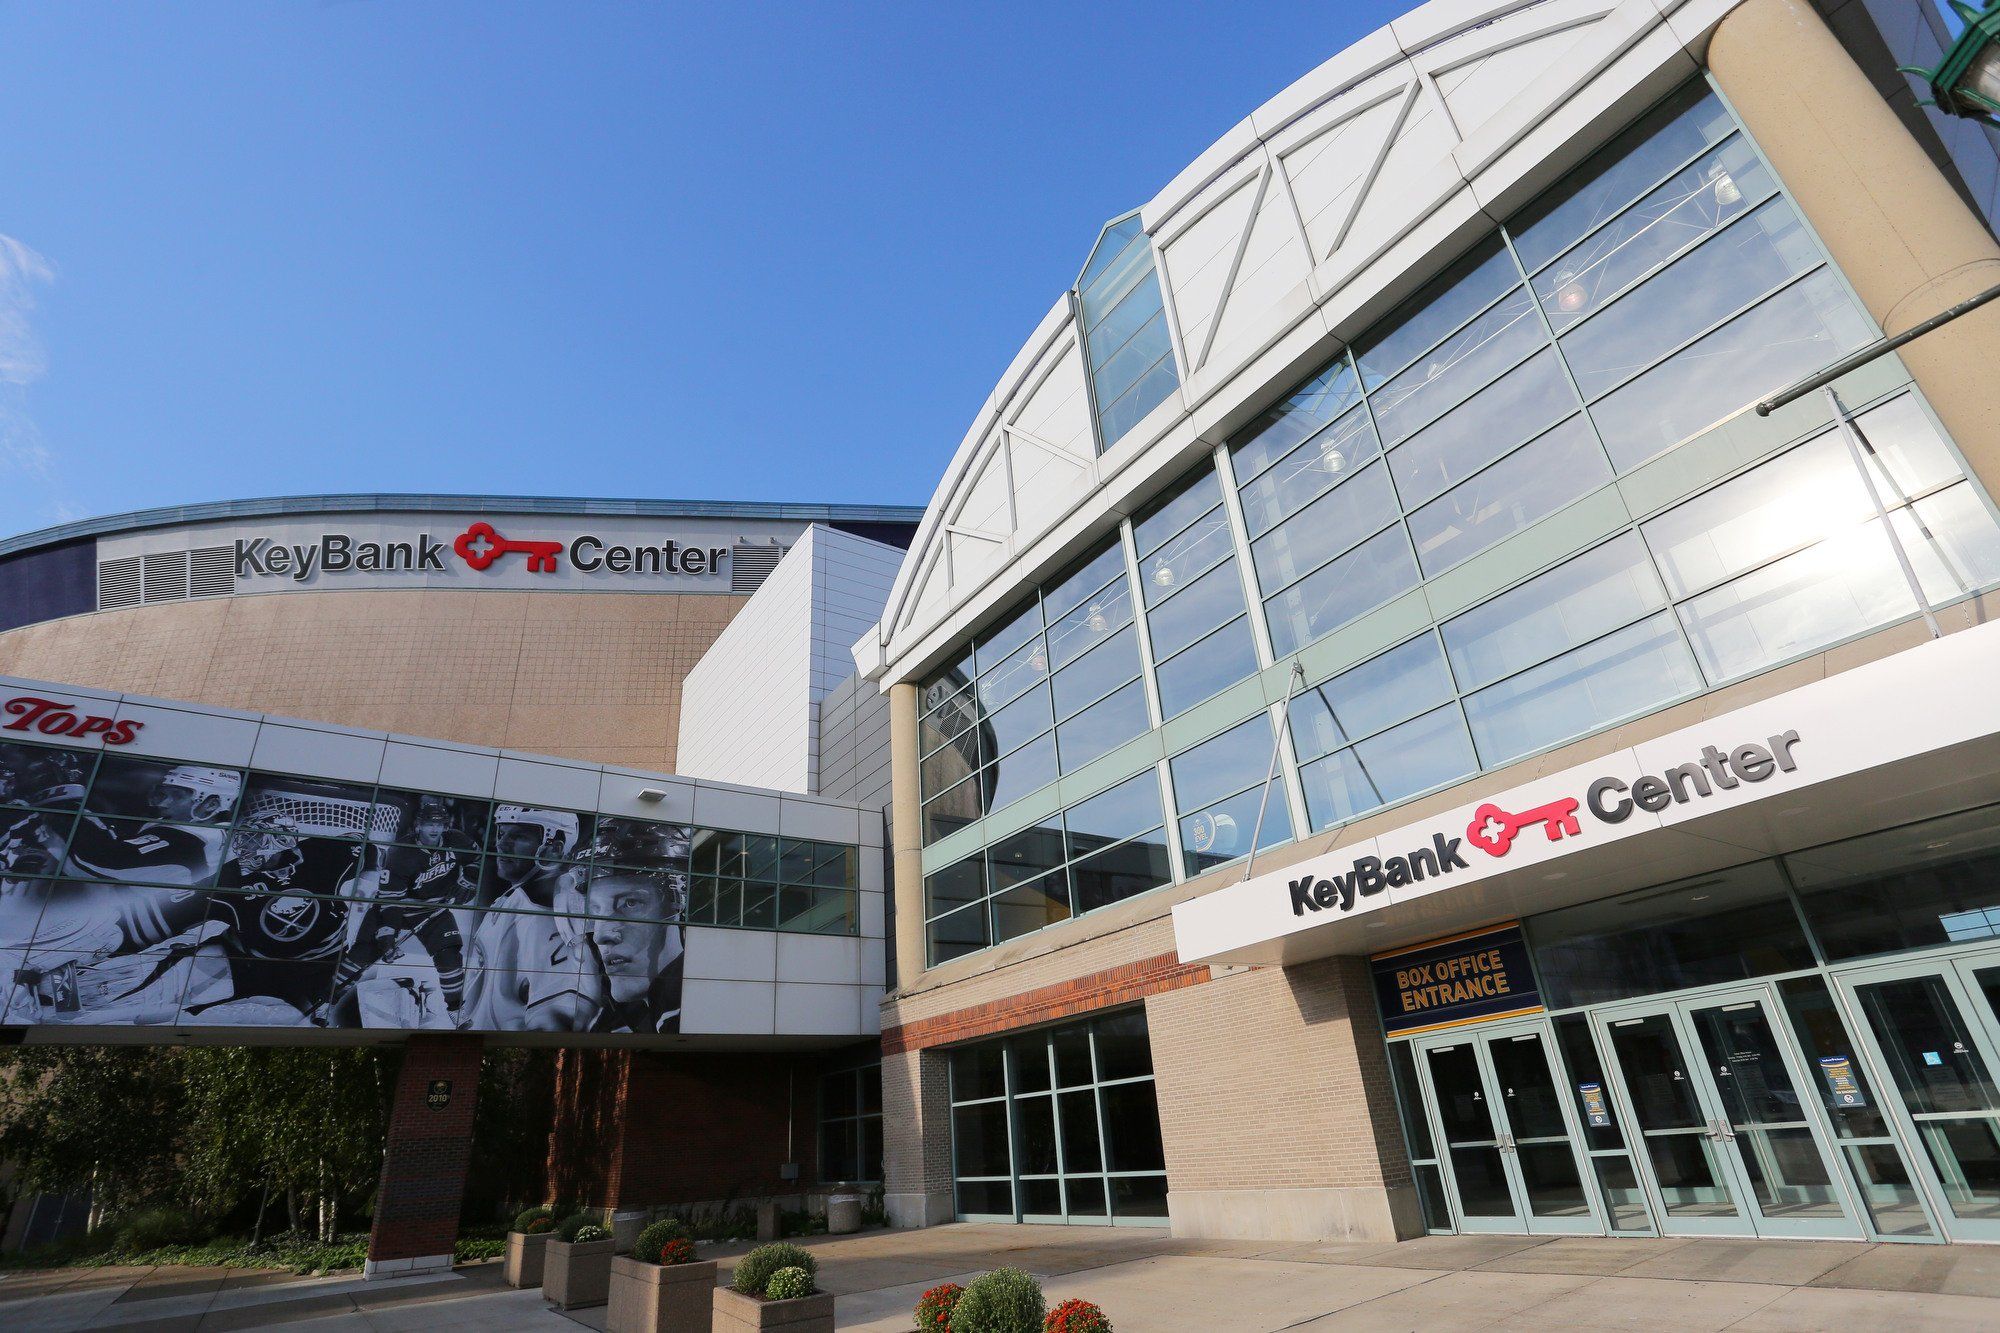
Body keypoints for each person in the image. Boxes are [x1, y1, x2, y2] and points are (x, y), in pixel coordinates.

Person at [323, 796, 479, 1026]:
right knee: (361, 955)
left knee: (450, 956)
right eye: (429, 824)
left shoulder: (457, 840)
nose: (434, 828)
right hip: (393, 906)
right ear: (418, 825)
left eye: (438, 824)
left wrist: (470, 879)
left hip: (432, 909)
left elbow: (478, 858)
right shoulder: (401, 852)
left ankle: (455, 1010)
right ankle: (326, 1001)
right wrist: (387, 935)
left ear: (446, 825)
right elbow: (391, 901)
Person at [460, 806, 587, 1030]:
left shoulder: (555, 921)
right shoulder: (512, 898)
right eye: (502, 833)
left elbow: (554, 1020)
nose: (501, 844)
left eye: (518, 836)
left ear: (555, 849)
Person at [63, 765, 239, 885]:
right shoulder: (211, 833)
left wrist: (65, 800)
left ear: (211, 805)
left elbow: (104, 858)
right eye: (163, 794)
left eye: (177, 796)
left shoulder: (193, 840)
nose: (164, 803)